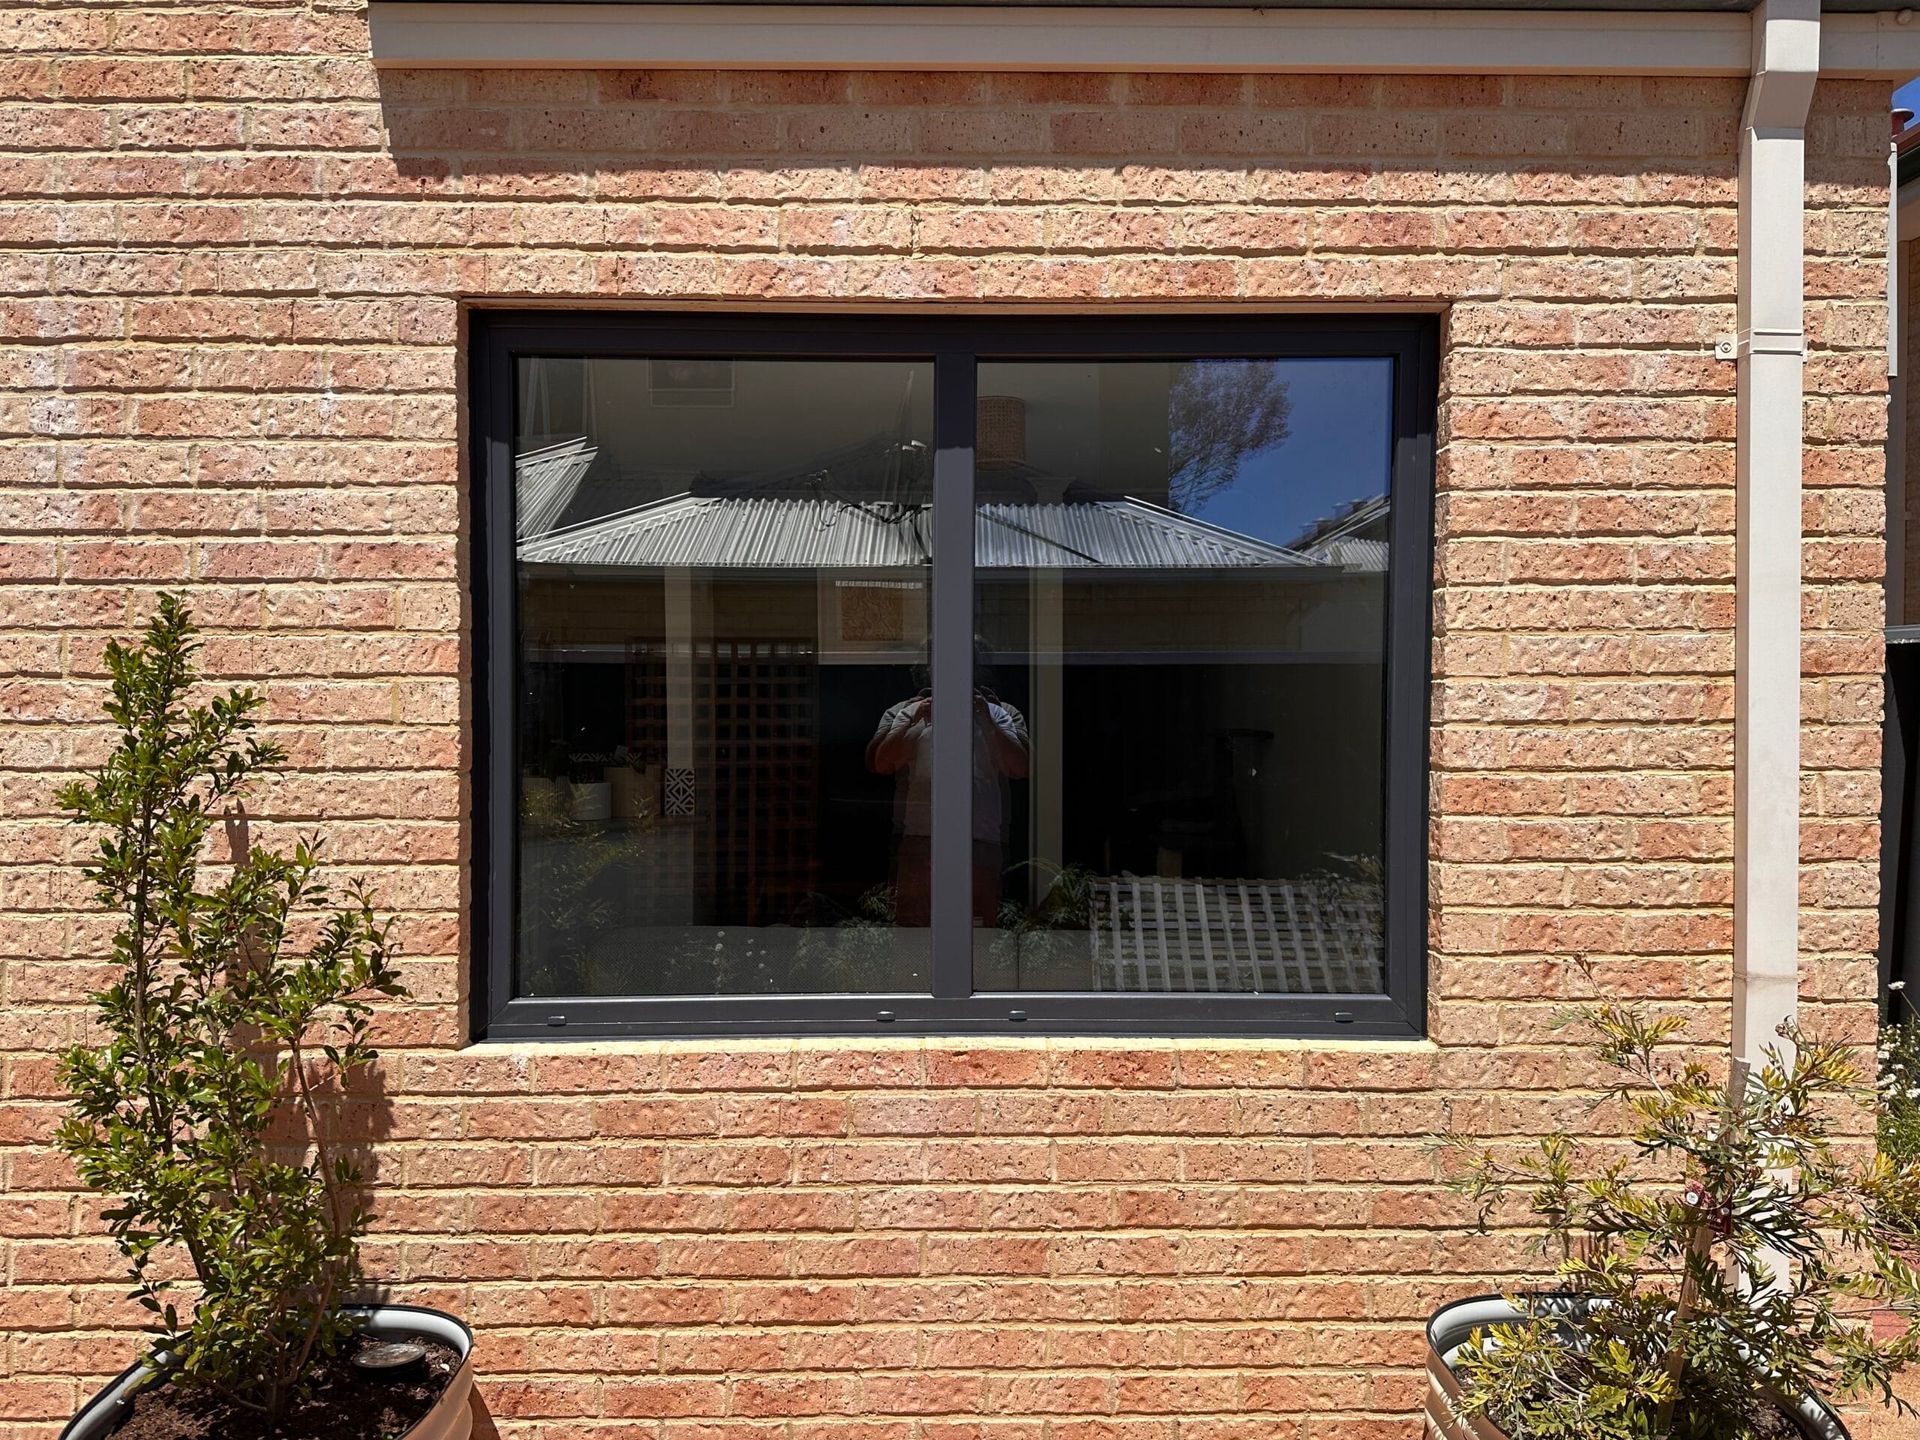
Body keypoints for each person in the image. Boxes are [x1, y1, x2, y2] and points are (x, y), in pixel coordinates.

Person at [867, 671, 1029, 927]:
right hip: (918, 836)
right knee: (914, 923)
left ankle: (978, 967)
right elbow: (882, 763)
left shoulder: (999, 711)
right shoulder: (905, 711)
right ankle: (913, 968)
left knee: (978, 926)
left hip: (983, 838)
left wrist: (986, 721)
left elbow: (1019, 767)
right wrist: (919, 721)